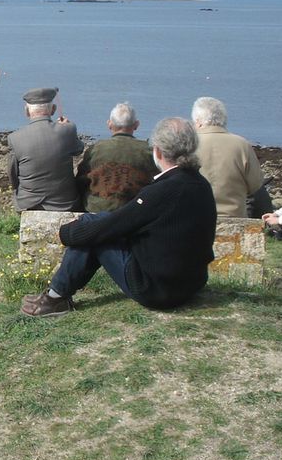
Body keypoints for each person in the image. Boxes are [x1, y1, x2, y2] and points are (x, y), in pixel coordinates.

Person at [21, 117, 217, 317]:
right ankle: (56, 295)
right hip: (191, 285)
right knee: (99, 223)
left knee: (92, 227)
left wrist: (65, 233)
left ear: (157, 151)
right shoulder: (201, 185)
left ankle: (55, 298)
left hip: (156, 290)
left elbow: (112, 226)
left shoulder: (161, 192)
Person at [7, 87, 84, 212]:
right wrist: (68, 129)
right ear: (53, 110)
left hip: (28, 203)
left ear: (26, 111)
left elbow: (12, 173)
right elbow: (79, 149)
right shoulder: (68, 130)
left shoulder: (14, 138)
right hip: (64, 203)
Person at [75, 102, 158, 212]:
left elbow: (81, 180)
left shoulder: (96, 149)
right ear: (136, 125)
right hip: (134, 210)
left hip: (97, 209)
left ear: (109, 124)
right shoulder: (148, 151)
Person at [192, 96, 263, 217]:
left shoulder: (188, 145)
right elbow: (255, 184)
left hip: (195, 217)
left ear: (198, 121)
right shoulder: (242, 144)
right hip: (234, 216)